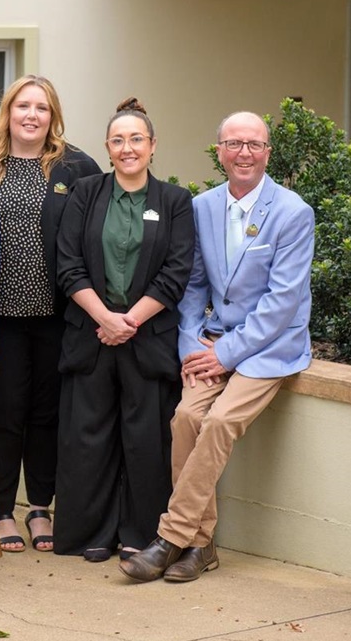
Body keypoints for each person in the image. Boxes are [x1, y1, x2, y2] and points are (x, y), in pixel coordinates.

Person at [119, 110, 314, 584]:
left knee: (221, 421)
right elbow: (192, 287)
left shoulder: (293, 212)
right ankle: (202, 546)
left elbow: (282, 303)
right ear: (220, 151)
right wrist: (191, 344)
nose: (244, 153)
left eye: (254, 144)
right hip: (211, 341)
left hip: (269, 348)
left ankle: (172, 537)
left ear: (268, 152)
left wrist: (225, 355)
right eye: (234, 144)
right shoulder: (202, 206)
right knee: (186, 418)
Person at [0, 75, 102, 553]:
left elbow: (92, 240)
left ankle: (39, 506)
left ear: (52, 115)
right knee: (5, 412)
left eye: (41, 107)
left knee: (47, 412)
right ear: (8, 112)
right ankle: (0, 510)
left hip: (57, 313)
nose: (32, 115)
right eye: (23, 106)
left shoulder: (77, 166)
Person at [53, 98, 195, 563]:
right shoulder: (85, 192)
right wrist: (105, 319)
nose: (127, 148)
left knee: (146, 438)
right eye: (118, 140)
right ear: (107, 148)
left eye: (137, 139)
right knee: (86, 436)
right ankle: (89, 532)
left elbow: (176, 274)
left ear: (153, 146)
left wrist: (129, 321)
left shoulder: (175, 202)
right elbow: (68, 265)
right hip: (90, 335)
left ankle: (140, 532)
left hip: (147, 338)